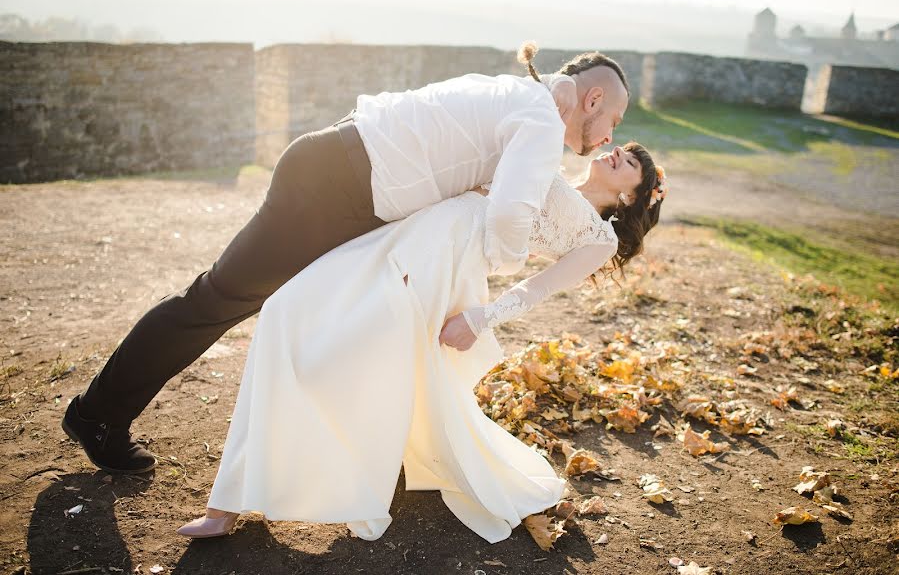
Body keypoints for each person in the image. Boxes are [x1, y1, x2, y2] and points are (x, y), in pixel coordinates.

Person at [61, 42, 631, 475]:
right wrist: (499, 261)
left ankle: (340, 457)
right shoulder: (537, 119)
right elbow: (510, 217)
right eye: (614, 122)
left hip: (340, 179)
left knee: (327, 315)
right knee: (215, 300)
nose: (609, 137)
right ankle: (96, 415)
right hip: (334, 192)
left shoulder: (516, 95)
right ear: (593, 99)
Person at [176, 141, 667, 543]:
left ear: (630, 197)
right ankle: (241, 492)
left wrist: (481, 317)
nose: (617, 155)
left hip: (443, 266)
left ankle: (230, 504)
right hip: (406, 235)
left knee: (349, 360)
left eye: (630, 164)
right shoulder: (545, 162)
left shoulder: (596, 238)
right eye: (620, 149)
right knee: (285, 307)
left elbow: (535, 288)